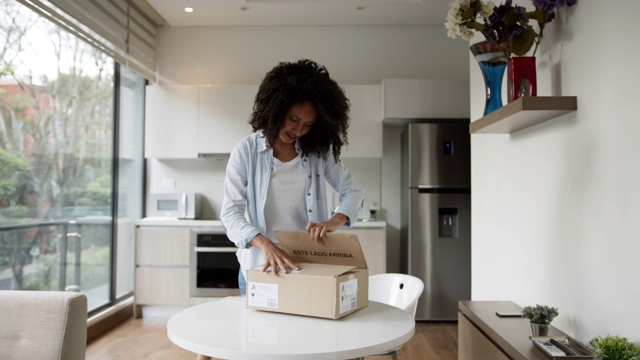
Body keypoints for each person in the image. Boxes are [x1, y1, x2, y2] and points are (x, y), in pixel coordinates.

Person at [220, 59, 364, 295]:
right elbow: (230, 213)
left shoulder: (318, 152)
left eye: (308, 125)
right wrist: (263, 244)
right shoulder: (246, 151)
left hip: (309, 266)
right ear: (276, 107)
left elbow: (352, 192)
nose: (298, 131)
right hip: (260, 267)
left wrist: (333, 221)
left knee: (311, 331)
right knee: (259, 332)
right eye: (293, 119)